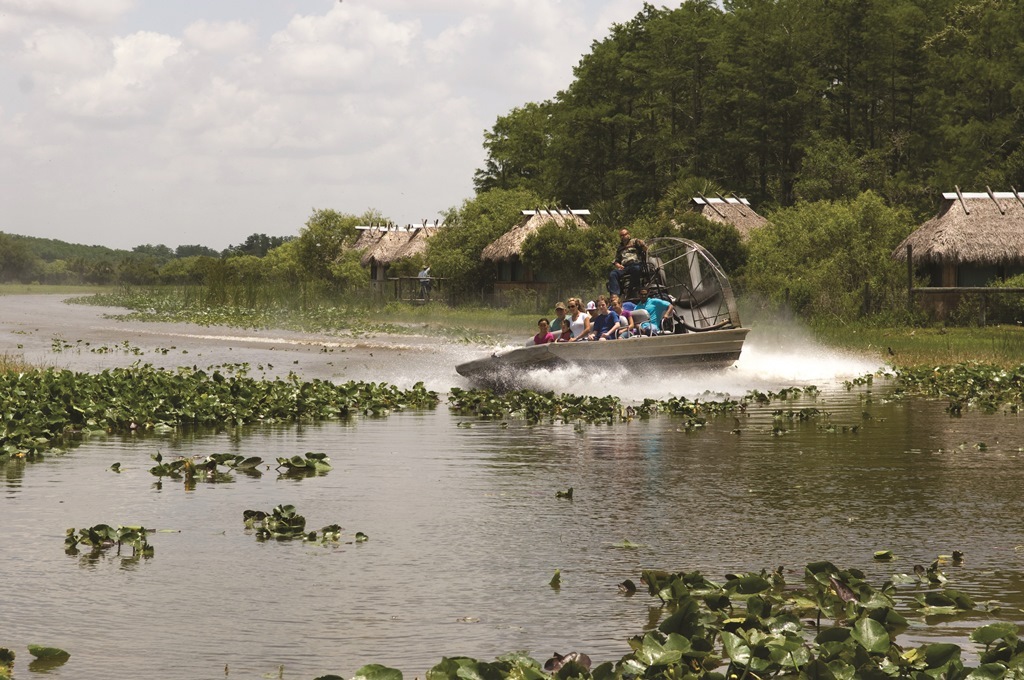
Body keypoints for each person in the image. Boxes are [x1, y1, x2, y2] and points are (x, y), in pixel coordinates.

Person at [607, 229, 646, 297]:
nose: (623, 236)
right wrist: (618, 265)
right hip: (624, 267)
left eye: (625, 234)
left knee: (636, 269)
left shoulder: (634, 241)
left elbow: (644, 247)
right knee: (613, 274)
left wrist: (642, 244)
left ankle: (633, 289)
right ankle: (615, 294)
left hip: (635, 263)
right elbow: (616, 260)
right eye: (621, 235)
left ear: (628, 234)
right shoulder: (620, 248)